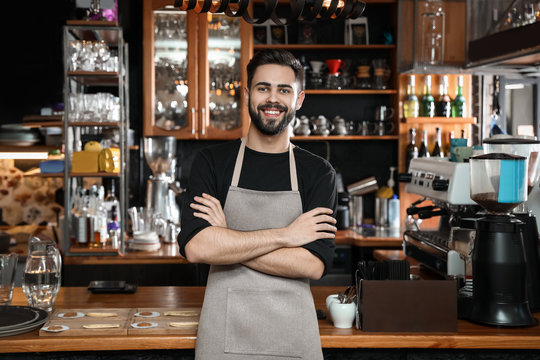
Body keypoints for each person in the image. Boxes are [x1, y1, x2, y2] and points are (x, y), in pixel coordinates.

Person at [178, 48, 338, 359]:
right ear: (248, 93)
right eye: (263, 88)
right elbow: (197, 249)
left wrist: (226, 238)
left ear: (299, 99)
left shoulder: (318, 172)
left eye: (284, 90)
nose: (272, 99)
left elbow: (313, 264)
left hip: (294, 338)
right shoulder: (212, 163)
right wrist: (285, 236)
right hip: (222, 336)